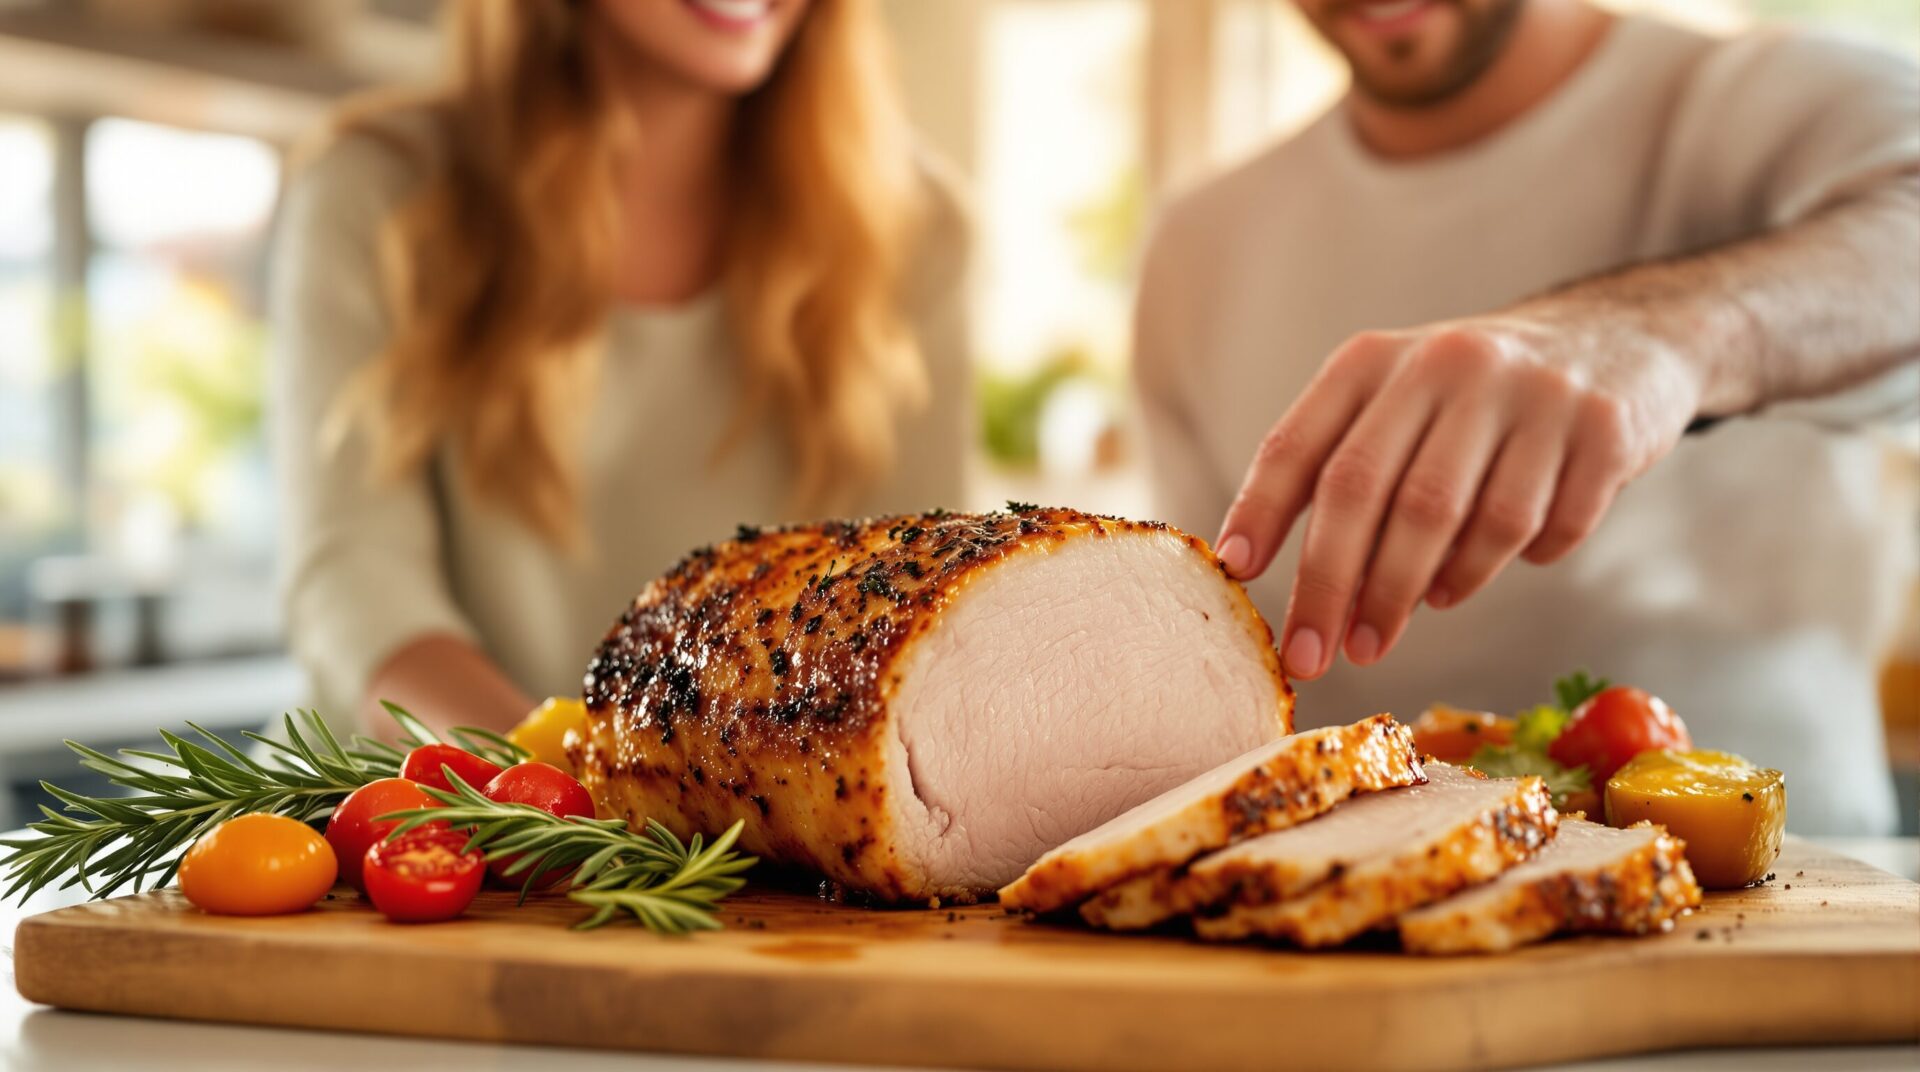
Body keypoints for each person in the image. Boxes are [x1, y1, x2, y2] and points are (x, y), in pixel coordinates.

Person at [1133, 0, 1919, 833]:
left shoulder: (1763, 100)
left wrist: (1664, 332)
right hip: (1340, 923)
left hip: (1787, 902)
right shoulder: (1199, 243)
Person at [271, 0, 969, 738]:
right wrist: (554, 806)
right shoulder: (377, 189)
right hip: (422, 824)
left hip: (739, 847)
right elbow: (357, 583)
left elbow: (915, 609)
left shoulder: (917, 231)